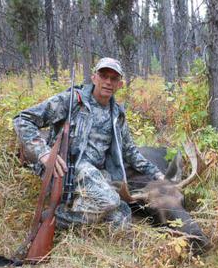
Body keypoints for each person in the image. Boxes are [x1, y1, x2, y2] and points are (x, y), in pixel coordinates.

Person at [14, 57, 165, 228]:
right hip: (65, 169)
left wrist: (157, 174)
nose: (108, 82)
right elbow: (23, 119)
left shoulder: (117, 114)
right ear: (94, 78)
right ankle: (51, 218)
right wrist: (44, 153)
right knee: (110, 200)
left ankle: (75, 210)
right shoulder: (72, 101)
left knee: (121, 220)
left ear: (120, 84)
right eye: (103, 75)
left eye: (114, 78)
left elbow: (130, 151)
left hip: (97, 172)